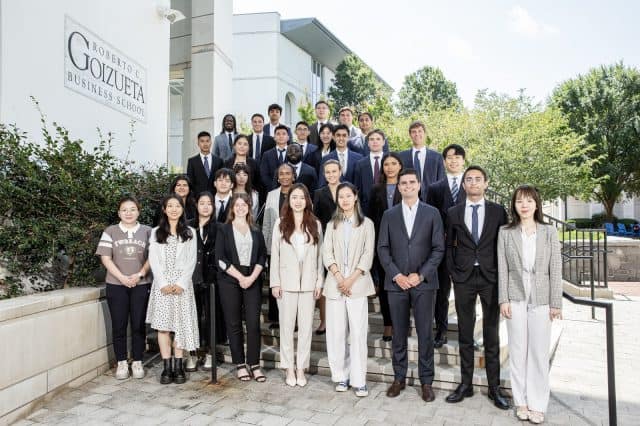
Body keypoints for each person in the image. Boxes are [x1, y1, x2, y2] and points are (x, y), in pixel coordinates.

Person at [445, 165, 510, 409]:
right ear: (463, 185)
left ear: (486, 183)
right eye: (469, 179)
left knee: (492, 333)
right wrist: (453, 271)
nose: (473, 183)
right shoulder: (453, 212)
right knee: (465, 332)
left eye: (478, 179)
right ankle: (466, 384)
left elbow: (503, 245)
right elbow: (449, 244)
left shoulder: (498, 211)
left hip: (490, 277)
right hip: (463, 277)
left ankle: (494, 388)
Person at [377, 168, 444, 403]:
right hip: (396, 285)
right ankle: (399, 378)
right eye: (403, 183)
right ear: (399, 187)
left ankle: (427, 381)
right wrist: (396, 275)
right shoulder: (389, 214)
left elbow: (438, 248)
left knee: (425, 334)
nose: (407, 186)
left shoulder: (432, 213)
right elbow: (382, 248)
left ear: (419, 185)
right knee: (398, 334)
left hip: (424, 284)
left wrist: (422, 275)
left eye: (411, 182)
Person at [498, 185, 562, 424]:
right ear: (514, 205)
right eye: (519, 201)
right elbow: (502, 267)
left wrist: (556, 302)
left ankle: (537, 403)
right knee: (517, 351)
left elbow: (555, 268)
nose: (524, 205)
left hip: (542, 297)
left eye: (528, 201)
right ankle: (521, 401)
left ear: (537, 204)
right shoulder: (505, 232)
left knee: (537, 352)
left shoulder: (548, 231)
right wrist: (503, 299)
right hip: (515, 296)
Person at [323, 183, 376, 397]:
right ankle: (340, 376)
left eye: (348, 196)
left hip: (357, 285)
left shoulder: (367, 224)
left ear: (355, 197)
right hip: (335, 285)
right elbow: (327, 253)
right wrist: (338, 277)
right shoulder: (331, 225)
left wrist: (350, 280)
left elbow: (367, 255)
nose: (344, 200)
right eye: (340, 196)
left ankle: (359, 379)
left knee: (357, 333)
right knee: (336, 334)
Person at [270, 184, 324, 387]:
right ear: (289, 200)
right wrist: (275, 282)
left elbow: (320, 256)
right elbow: (274, 255)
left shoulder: (316, 224)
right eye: (294, 197)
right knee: (286, 328)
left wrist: (320, 281)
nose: (298, 201)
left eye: (302, 197)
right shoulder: (280, 223)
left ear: (307, 200)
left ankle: (301, 367)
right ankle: (289, 368)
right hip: (286, 284)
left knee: (306, 329)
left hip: (309, 285)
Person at [96, 196, 152, 380]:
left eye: (132, 209)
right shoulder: (110, 231)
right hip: (116, 285)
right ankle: (121, 362)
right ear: (119, 212)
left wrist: (139, 275)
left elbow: (152, 258)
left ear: (138, 211)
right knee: (119, 325)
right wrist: (121, 277)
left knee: (138, 324)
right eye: (124, 210)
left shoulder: (147, 231)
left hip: (140, 284)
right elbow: (105, 257)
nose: (128, 213)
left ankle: (137, 361)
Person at [146, 194, 199, 384]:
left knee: (180, 326)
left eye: (177, 206)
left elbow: (191, 261)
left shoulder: (190, 232)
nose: (174, 209)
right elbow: (154, 260)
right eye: (170, 206)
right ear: (164, 209)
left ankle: (179, 365)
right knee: (163, 327)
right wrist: (162, 283)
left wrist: (181, 283)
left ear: (182, 209)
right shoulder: (155, 232)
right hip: (162, 287)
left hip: (182, 287)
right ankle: (166, 367)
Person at [215, 193, 268, 382]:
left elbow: (262, 256)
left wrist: (251, 277)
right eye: (236, 205)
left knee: (253, 324)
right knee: (234, 323)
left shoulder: (256, 229)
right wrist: (240, 277)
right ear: (232, 208)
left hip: (252, 279)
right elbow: (220, 259)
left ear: (249, 207)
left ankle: (254, 364)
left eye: (243, 204)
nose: (240, 207)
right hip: (230, 279)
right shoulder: (223, 229)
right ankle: (240, 364)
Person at [426, 144, 467, 348]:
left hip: (466, 249)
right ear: (444, 162)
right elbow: (430, 219)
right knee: (441, 293)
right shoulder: (434, 188)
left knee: (465, 293)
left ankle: (466, 334)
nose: (453, 160)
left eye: (457, 157)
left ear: (463, 161)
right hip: (441, 248)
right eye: (449, 157)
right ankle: (441, 331)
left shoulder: (471, 186)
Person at [366, 152, 403, 342]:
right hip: (382, 243)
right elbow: (370, 218)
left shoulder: (407, 186)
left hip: (404, 244)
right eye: (386, 164)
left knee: (400, 284)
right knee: (386, 284)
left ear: (400, 166)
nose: (390, 167)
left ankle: (400, 323)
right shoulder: (376, 189)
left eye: (393, 163)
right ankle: (388, 324)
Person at [185, 192, 220, 372]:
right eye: (202, 203)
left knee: (210, 319)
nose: (205, 207)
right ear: (196, 205)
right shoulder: (188, 227)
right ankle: (191, 354)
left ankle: (209, 353)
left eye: (209, 203)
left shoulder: (219, 227)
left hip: (211, 280)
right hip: (190, 279)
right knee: (191, 317)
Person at [262, 163, 295, 328]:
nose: (284, 176)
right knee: (275, 280)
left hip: (295, 245)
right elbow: (267, 223)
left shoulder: (299, 193)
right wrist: (266, 245)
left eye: (287, 173)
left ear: (293, 176)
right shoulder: (271, 195)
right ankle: (275, 318)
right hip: (274, 245)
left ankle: (293, 319)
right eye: (281, 173)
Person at [312, 159, 342, 335]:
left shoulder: (348, 189)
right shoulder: (319, 193)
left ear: (340, 171)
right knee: (324, 282)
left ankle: (340, 321)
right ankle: (323, 321)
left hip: (345, 240)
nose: (331, 175)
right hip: (325, 240)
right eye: (328, 172)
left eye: (334, 171)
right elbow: (316, 219)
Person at [398, 120, 445, 201]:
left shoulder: (437, 157)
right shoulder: (401, 156)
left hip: (431, 201)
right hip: (407, 200)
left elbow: (441, 181)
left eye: (420, 131)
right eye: (414, 132)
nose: (417, 134)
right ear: (410, 135)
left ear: (425, 134)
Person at [353, 129, 386, 215]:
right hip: (366, 208)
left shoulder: (390, 160)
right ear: (368, 143)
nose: (375, 142)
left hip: (387, 205)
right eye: (371, 139)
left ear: (383, 142)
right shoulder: (360, 164)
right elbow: (357, 188)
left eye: (378, 139)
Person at [186, 131, 224, 195]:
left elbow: (221, 179)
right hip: (198, 197)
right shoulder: (192, 161)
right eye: (202, 141)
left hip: (215, 196)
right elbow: (190, 182)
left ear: (211, 142)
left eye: (207, 141)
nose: (205, 144)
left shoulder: (219, 161)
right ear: (198, 143)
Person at [260, 125, 291, 192]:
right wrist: (274, 188)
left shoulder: (293, 153)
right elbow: (264, 175)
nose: (281, 136)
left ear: (288, 137)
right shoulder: (267, 154)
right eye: (278, 134)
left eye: (284, 134)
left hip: (290, 190)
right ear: (274, 137)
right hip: (271, 191)